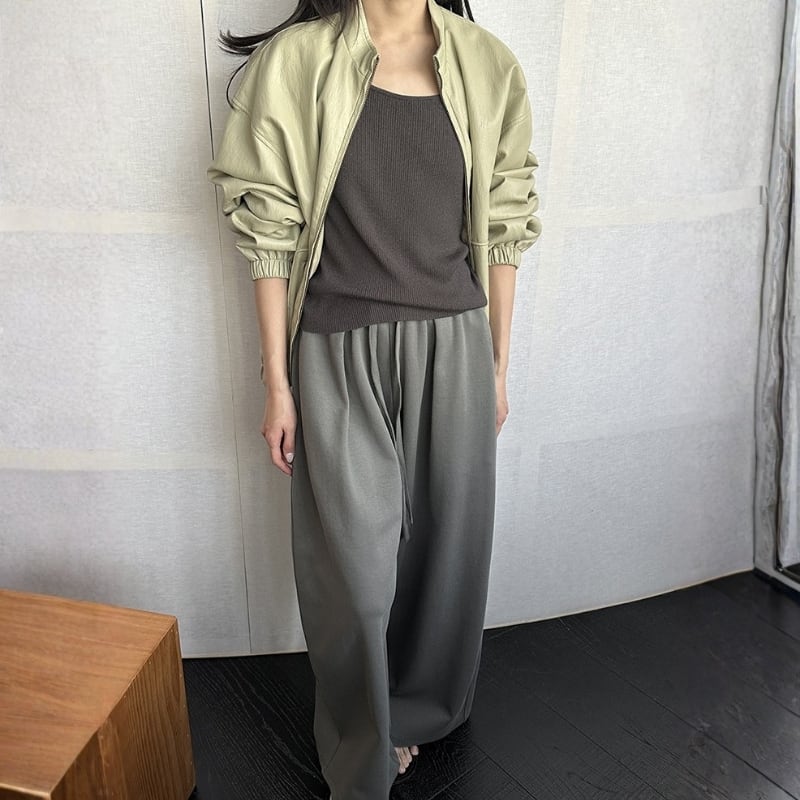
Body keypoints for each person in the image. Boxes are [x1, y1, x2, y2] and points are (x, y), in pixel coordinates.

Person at [207, 0, 541, 796]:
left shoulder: (488, 64)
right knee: (350, 574)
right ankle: (362, 740)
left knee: (445, 554)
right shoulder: (297, 63)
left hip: (454, 344)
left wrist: (497, 366)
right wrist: (277, 381)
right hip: (334, 347)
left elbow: (506, 222)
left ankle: (417, 711)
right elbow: (269, 231)